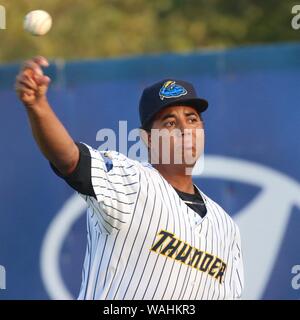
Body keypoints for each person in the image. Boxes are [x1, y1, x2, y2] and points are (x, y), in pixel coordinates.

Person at [15, 56, 244, 300]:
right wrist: (38, 106)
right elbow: (69, 158)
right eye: (169, 122)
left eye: (192, 118)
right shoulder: (130, 181)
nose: (185, 129)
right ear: (147, 139)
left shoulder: (225, 227)